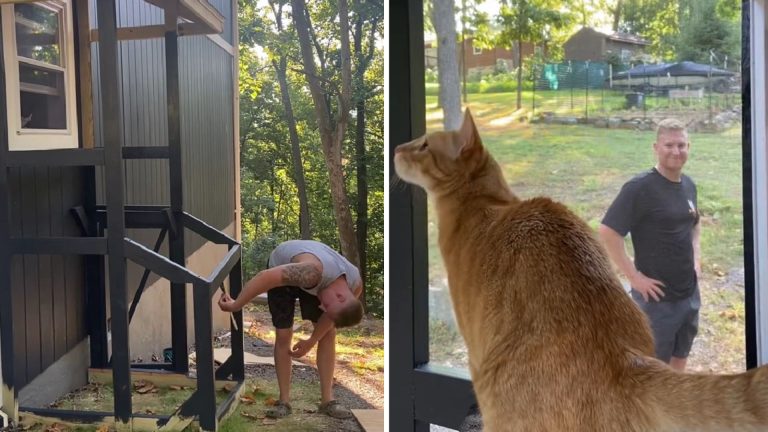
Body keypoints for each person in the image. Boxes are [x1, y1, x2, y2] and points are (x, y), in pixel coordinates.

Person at [218, 239, 364, 418]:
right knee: (283, 333)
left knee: (328, 334)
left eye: (325, 307)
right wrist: (236, 305)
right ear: (340, 297)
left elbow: (329, 319)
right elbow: (264, 277)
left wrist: (311, 341)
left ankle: (328, 401)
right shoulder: (309, 272)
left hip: (318, 280)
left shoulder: (354, 286)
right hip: (285, 267)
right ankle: (284, 402)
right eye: (325, 305)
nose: (321, 308)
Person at [598, 118, 701, 372]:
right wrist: (634, 278)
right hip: (656, 300)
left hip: (688, 294)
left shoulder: (688, 185)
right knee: (653, 367)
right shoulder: (640, 188)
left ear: (689, 146)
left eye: (681, 145)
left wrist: (697, 260)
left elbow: (695, 224)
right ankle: (653, 411)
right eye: (669, 145)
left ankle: (674, 404)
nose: (676, 151)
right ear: (656, 147)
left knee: (681, 353)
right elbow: (608, 231)